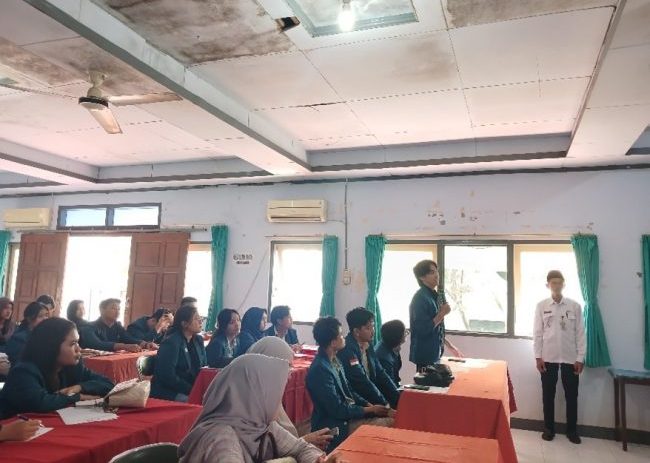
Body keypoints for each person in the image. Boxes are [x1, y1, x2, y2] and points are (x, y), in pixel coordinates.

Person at [178, 354, 341, 463]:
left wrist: (317, 460)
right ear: (255, 394)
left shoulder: (261, 426)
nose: (278, 401)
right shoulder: (220, 439)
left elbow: (301, 448)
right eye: (275, 394)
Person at [307, 316, 393, 452]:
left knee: (387, 416)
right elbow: (337, 410)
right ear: (333, 342)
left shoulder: (334, 360)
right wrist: (369, 410)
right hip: (334, 424)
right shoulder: (320, 370)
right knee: (388, 423)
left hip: (346, 416)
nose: (344, 338)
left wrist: (368, 405)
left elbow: (349, 391)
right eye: (341, 335)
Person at [0, 317, 114, 417]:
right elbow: (41, 403)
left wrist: (79, 387)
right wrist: (78, 397)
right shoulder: (24, 371)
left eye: (78, 342)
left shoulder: (73, 367)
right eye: (72, 344)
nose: (78, 349)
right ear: (51, 346)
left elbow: (108, 385)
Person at [248, 337, 334, 451]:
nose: (289, 376)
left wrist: (304, 443)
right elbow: (263, 453)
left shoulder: (269, 396)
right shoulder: (250, 407)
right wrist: (304, 441)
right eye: (287, 367)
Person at [533, 270, 586, 444]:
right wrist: (538, 357)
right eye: (553, 283)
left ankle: (572, 431)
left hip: (570, 359)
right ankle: (549, 429)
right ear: (547, 285)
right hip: (548, 358)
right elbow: (537, 333)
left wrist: (580, 358)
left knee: (572, 396)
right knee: (548, 395)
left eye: (559, 282)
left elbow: (580, 333)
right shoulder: (541, 306)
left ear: (564, 284)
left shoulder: (574, 306)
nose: (556, 285)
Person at [337, 308, 400, 409]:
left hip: (371, 395)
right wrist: (384, 404)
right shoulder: (347, 349)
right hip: (357, 401)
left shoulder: (368, 344)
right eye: (368, 328)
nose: (373, 331)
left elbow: (381, 373)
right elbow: (361, 381)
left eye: (373, 326)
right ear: (356, 331)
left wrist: (398, 395)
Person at [409, 260, 462, 370]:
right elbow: (423, 329)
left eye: (436, 271)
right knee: (428, 380)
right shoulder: (420, 298)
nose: (437, 275)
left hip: (435, 352)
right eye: (432, 272)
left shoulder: (433, 295)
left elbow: (437, 327)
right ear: (422, 277)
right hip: (425, 355)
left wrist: (449, 345)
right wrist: (442, 313)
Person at [151, 305, 207, 402]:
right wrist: (193, 390)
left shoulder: (198, 340)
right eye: (196, 318)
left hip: (190, 387)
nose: (200, 321)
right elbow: (168, 376)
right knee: (201, 402)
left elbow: (204, 367)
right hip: (170, 391)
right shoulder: (171, 342)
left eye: (200, 318)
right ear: (184, 324)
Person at [79, 298, 155, 352]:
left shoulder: (117, 326)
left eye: (118, 309)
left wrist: (145, 344)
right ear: (102, 310)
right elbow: (98, 344)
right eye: (113, 308)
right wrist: (124, 346)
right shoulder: (89, 327)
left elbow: (128, 339)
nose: (117, 312)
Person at [5, 302, 48, 366]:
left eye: (46, 315)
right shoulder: (19, 338)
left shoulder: (45, 336)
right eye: (40, 316)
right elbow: (16, 362)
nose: (45, 318)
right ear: (29, 318)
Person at [375, 320, 407, 387]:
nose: (406, 334)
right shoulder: (384, 357)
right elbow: (389, 384)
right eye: (404, 332)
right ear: (397, 335)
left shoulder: (392, 345)